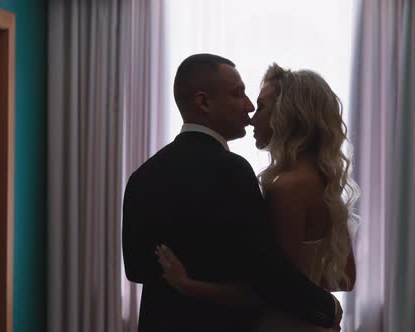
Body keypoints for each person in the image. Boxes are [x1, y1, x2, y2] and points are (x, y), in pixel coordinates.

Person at [123, 54, 342, 332]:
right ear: (204, 102)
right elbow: (266, 273)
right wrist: (327, 307)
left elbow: (136, 270)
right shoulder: (233, 172)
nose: (249, 107)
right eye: (238, 94)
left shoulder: (141, 177)